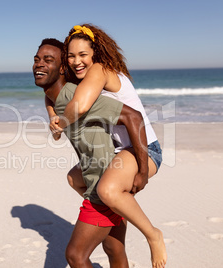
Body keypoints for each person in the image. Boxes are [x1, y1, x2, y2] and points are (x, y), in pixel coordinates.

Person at [46, 24, 167, 268]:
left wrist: (143, 171)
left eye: (82, 55)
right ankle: (115, 209)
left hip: (145, 150)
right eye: (70, 56)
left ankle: (153, 234)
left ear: (95, 53)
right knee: (74, 178)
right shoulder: (83, 75)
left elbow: (78, 106)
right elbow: (54, 92)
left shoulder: (101, 70)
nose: (76, 61)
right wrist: (51, 112)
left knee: (108, 190)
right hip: (120, 154)